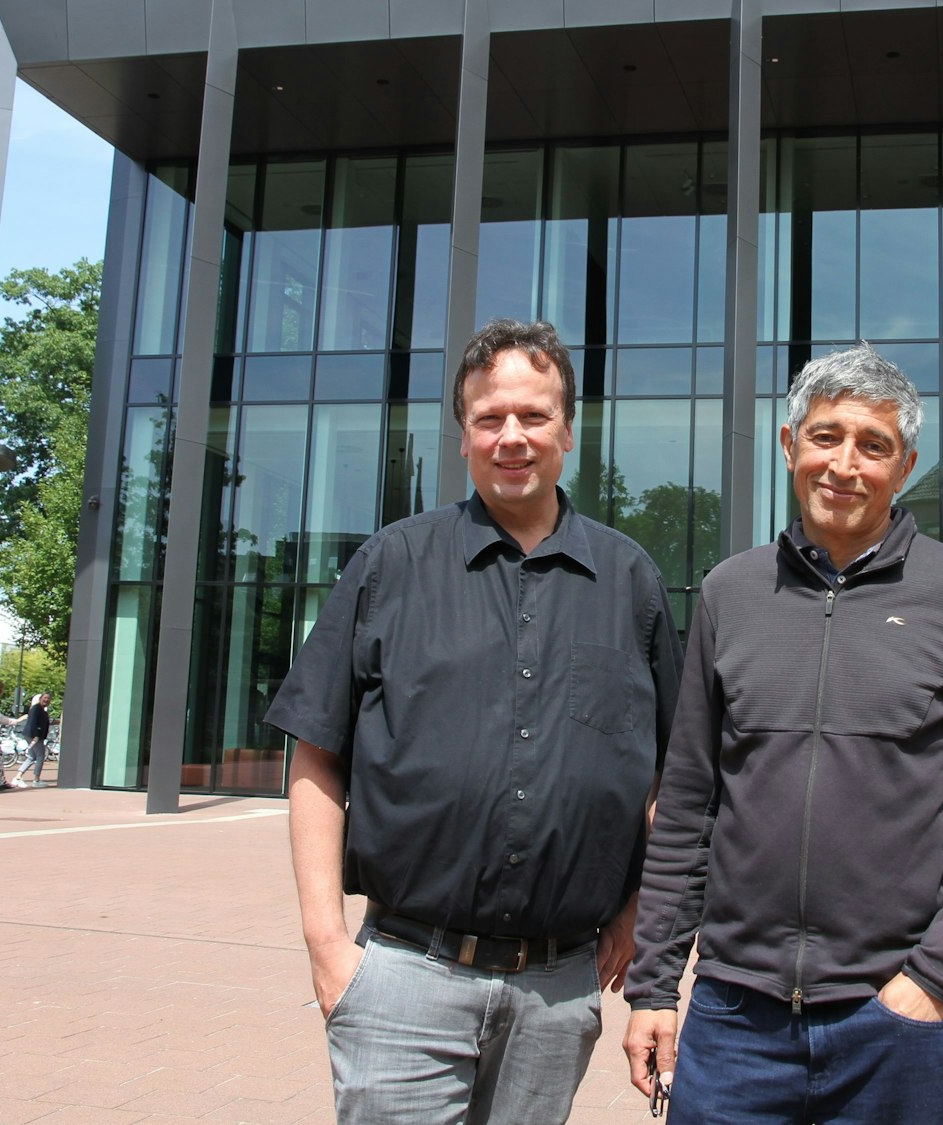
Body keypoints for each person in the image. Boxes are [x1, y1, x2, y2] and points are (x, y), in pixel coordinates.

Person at [265, 317, 682, 1124]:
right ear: (463, 436)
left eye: (534, 415)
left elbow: (672, 770)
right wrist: (326, 945)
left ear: (568, 429)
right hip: (404, 978)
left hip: (560, 990)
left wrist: (639, 907)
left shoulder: (631, 581)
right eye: (490, 418)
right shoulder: (390, 564)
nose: (512, 436)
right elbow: (316, 753)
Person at [623, 345, 943, 1124]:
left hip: (891, 1022)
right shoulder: (730, 593)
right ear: (790, 445)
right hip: (732, 1021)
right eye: (825, 436)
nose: (844, 464)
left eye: (872, 444)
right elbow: (685, 804)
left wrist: (937, 978)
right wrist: (653, 987)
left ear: (905, 466)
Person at [13, 693, 53, 786]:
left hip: (32, 735)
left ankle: (18, 776)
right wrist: (36, 735)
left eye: (48, 698)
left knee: (31, 756)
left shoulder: (41, 709)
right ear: (40, 699)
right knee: (40, 756)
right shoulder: (36, 708)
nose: (46, 700)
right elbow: (33, 722)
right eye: (45, 698)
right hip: (34, 736)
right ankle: (36, 780)